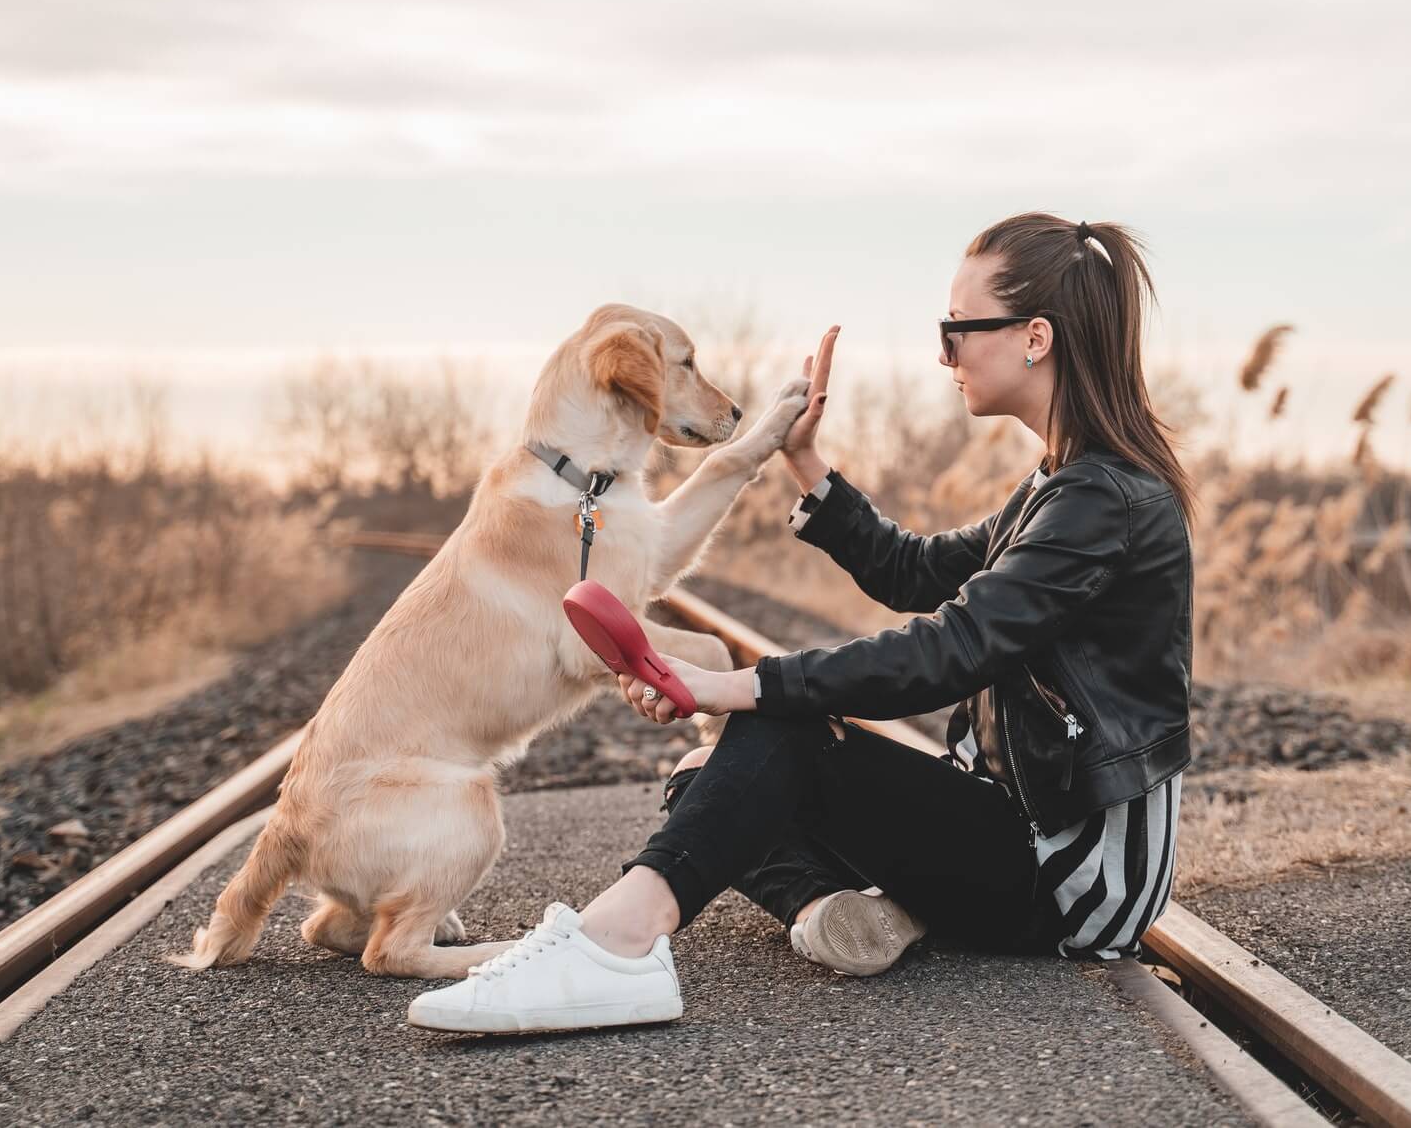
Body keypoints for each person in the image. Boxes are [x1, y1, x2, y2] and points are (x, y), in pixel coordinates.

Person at [408, 213, 1199, 1034]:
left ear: (1035, 337)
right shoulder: (1060, 485)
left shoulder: (1100, 500)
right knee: (704, 778)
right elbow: (914, 571)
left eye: (956, 329)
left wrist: (740, 683)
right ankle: (843, 910)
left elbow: (950, 649)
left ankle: (616, 944)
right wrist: (805, 459)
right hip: (1012, 826)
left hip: (1071, 874)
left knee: (773, 738)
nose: (943, 353)